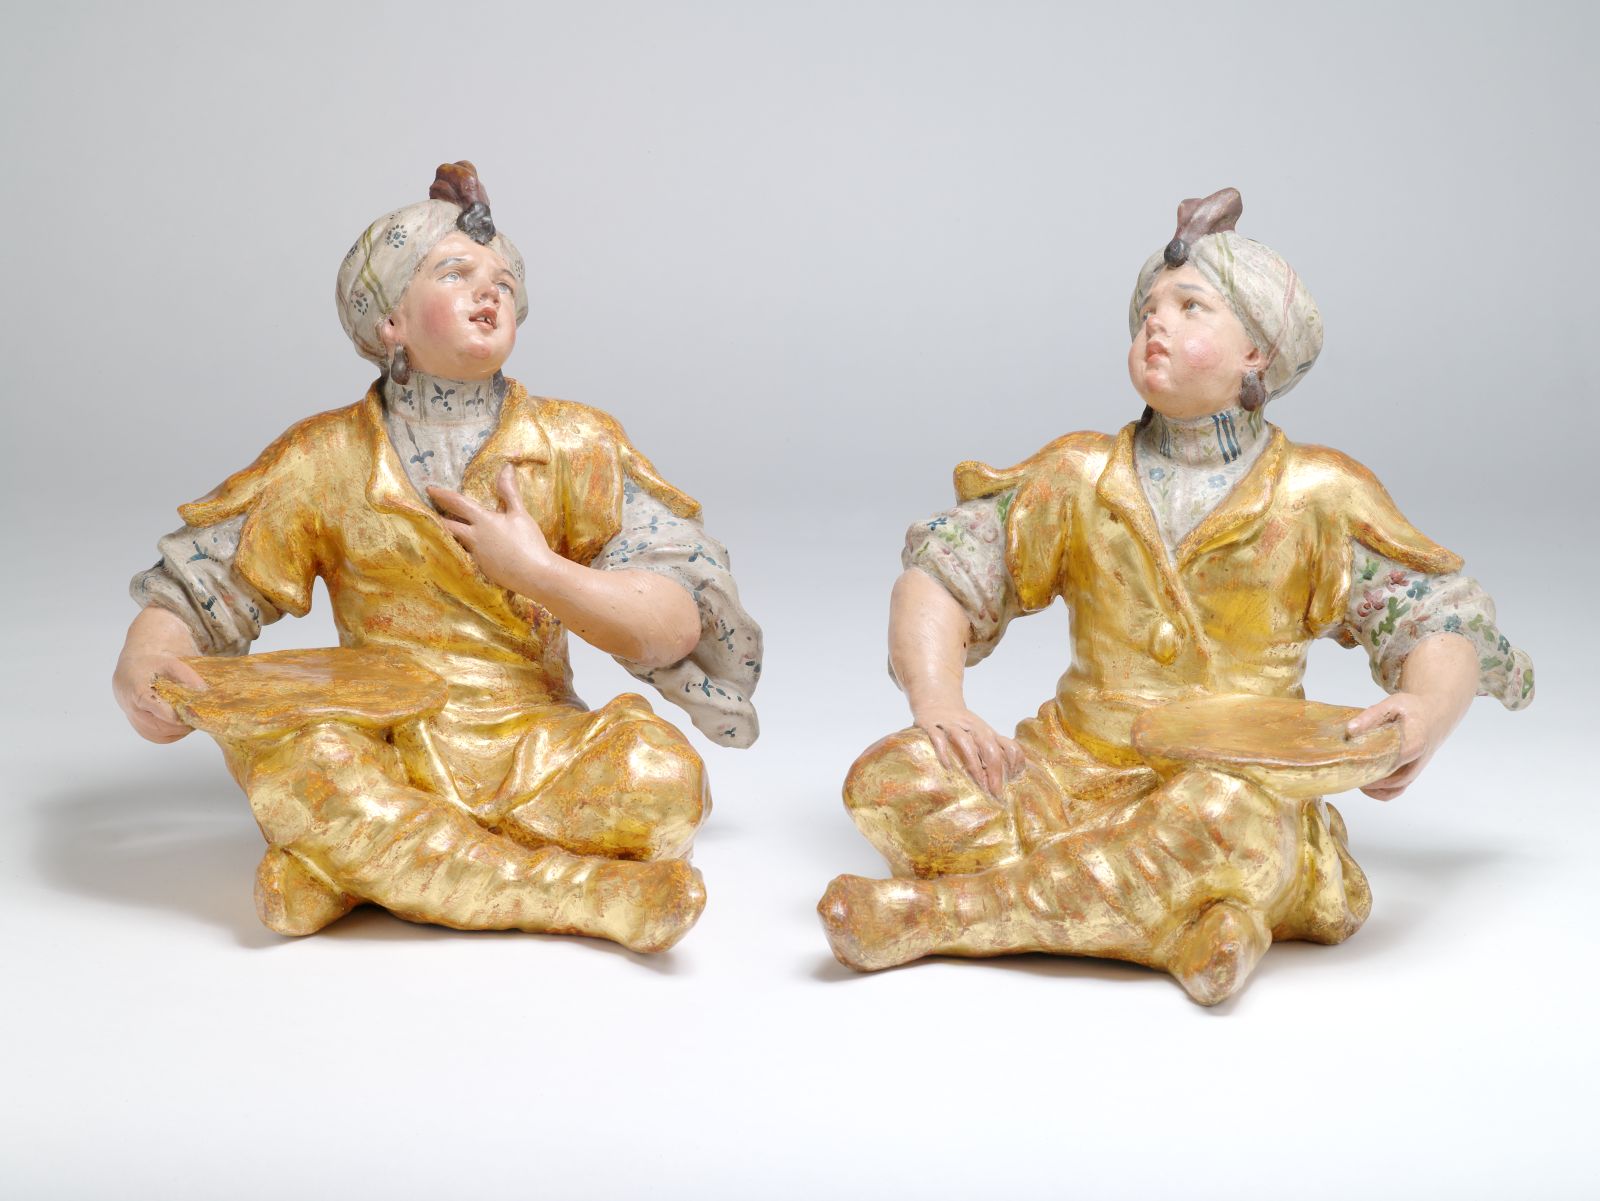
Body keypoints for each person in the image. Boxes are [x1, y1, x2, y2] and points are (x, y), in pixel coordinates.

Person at [817, 188, 1532, 1003]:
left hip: (1232, 781)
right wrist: (939, 700)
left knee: (1219, 818)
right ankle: (1193, 921)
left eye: (1191, 307)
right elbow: (945, 570)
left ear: (1256, 352)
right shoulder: (1078, 474)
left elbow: (1439, 616)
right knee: (891, 780)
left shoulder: (1317, 494)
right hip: (1068, 772)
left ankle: (935, 915)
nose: (1157, 322)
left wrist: (1425, 710)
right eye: (1149, 309)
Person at [112, 162, 761, 953]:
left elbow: (670, 623)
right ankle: (589, 895)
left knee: (664, 780)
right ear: (389, 320)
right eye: (456, 273)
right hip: (382, 734)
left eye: (504, 282)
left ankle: (355, 863)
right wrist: (148, 667)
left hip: (533, 737)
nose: (491, 292)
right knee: (307, 764)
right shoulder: (323, 455)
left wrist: (538, 573)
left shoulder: (576, 442)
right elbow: (202, 587)